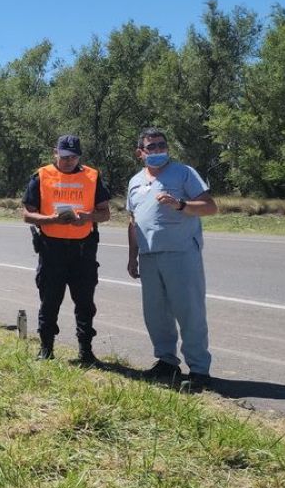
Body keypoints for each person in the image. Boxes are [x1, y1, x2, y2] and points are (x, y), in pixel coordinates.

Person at [126, 128, 218, 391]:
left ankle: (199, 370)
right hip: (149, 255)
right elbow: (133, 221)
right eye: (151, 147)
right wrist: (133, 257)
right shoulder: (134, 182)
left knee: (189, 311)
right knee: (156, 314)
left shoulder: (184, 172)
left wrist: (180, 205)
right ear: (140, 153)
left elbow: (210, 206)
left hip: (180, 253)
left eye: (161, 145)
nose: (157, 150)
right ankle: (166, 362)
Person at [22, 134, 111, 364]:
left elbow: (105, 213)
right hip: (52, 250)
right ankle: (46, 348)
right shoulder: (41, 176)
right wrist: (51, 219)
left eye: (73, 156)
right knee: (50, 301)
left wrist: (89, 217)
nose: (68, 161)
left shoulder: (92, 176)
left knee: (85, 303)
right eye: (64, 156)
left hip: (83, 250)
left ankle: (86, 351)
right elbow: (27, 215)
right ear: (55, 153)